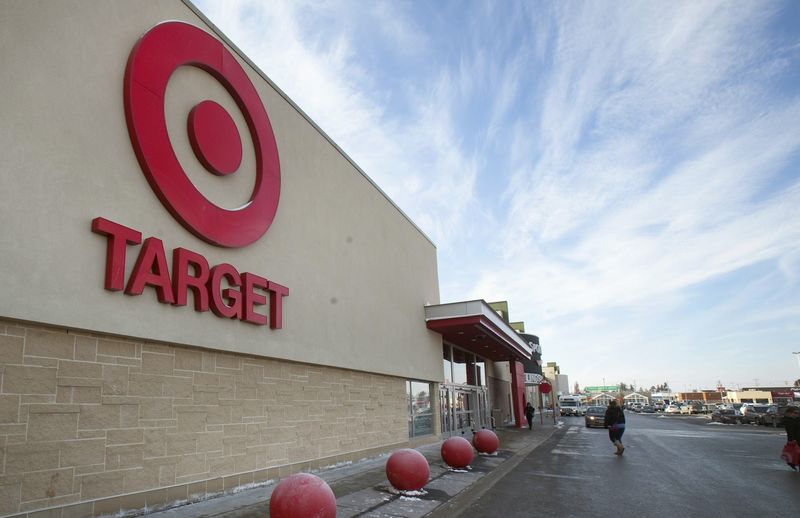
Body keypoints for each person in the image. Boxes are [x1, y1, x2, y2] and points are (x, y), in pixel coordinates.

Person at [782, 406, 800, 470]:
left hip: (795, 439)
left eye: (797, 413)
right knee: (795, 452)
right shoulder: (788, 421)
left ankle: (792, 463)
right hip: (794, 439)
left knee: (795, 453)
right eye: (795, 413)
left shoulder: (794, 420)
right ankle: (791, 462)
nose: (796, 414)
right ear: (789, 413)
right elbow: (791, 431)